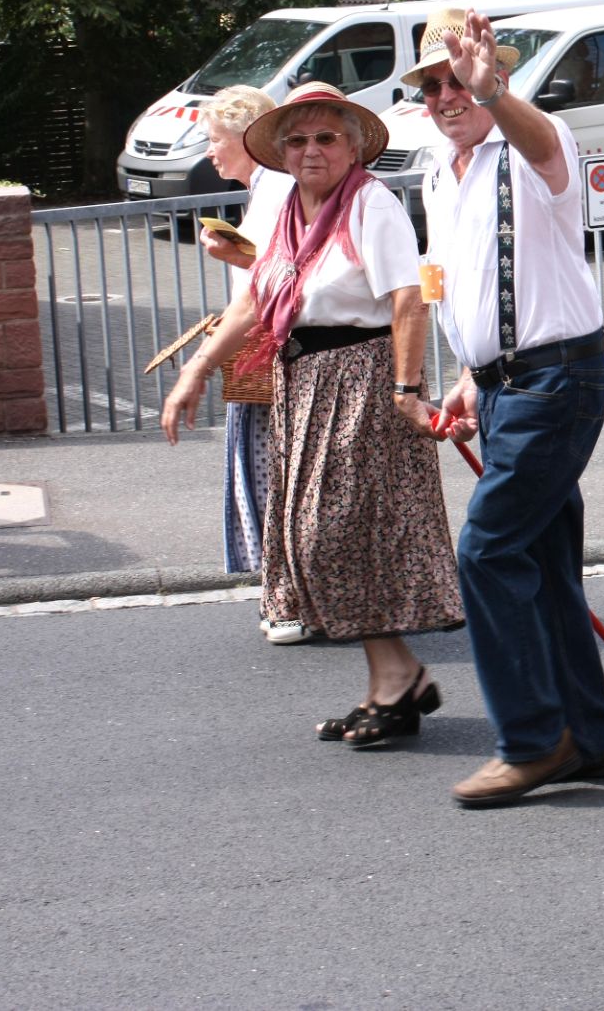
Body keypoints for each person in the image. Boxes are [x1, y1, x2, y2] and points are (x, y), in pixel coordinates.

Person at [161, 82, 463, 749]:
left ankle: (400, 678)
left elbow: (409, 299)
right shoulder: (288, 212)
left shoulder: (371, 204)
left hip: (364, 378)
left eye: (326, 137)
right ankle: (395, 680)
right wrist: (195, 370)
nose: (310, 150)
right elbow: (253, 301)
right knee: (313, 542)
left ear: (352, 146)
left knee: (331, 535)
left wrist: (409, 388)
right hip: (303, 380)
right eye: (297, 140)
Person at [407, 6, 604, 807]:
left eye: (453, 78)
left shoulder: (534, 141)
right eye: (431, 85)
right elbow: (457, 278)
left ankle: (535, 739)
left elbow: (541, 146)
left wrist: (492, 89)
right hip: (505, 385)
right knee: (540, 562)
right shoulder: (440, 168)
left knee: (487, 553)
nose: (445, 95)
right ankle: (595, 738)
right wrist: (470, 375)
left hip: (557, 381)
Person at [191, 86, 306, 643]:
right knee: (268, 480)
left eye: (215, 139)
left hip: (275, 360)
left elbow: (284, 274)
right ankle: (286, 596)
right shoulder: (269, 189)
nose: (210, 151)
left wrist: (232, 255)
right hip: (261, 356)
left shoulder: (278, 188)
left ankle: (290, 600)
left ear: (244, 137)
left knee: (273, 481)